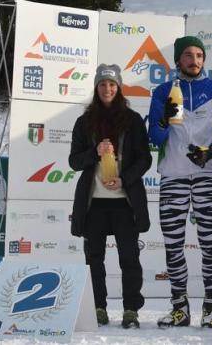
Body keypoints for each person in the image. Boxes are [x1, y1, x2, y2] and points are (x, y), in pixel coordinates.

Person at [148, 35, 212, 329]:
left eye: (199, 55)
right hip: (172, 174)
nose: (195, 60)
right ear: (177, 60)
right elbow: (156, 138)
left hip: (206, 173)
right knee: (173, 245)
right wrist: (161, 120)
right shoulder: (162, 91)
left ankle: (211, 307)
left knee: (209, 244)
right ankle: (180, 308)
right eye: (188, 55)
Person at [68, 64, 152, 329]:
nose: (107, 89)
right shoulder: (84, 122)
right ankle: (98, 307)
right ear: (96, 88)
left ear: (119, 88)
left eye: (112, 84)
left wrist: (124, 179)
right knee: (94, 258)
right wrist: (95, 151)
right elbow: (74, 161)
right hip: (94, 203)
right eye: (103, 84)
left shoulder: (133, 119)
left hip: (125, 202)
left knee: (129, 258)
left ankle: (130, 310)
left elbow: (145, 159)